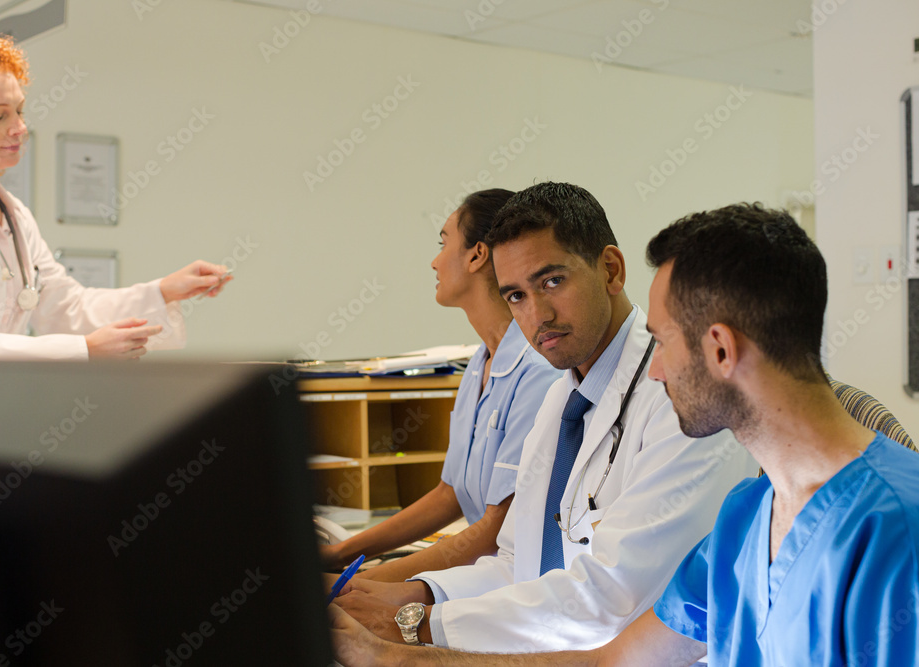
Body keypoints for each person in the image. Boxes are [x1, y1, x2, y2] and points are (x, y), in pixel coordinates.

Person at [331, 203, 919, 666]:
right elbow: (613, 660)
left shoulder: (897, 529)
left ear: (719, 349)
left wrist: (414, 631)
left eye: (661, 342)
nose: (654, 369)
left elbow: (606, 607)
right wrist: (389, 652)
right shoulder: (747, 517)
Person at [333, 183, 757, 652]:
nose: (538, 315)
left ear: (610, 269)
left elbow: (610, 602)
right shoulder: (562, 400)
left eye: (552, 281)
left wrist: (417, 624)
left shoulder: (684, 400)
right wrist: (419, 593)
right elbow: (518, 564)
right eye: (515, 296)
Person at [0, 34, 231, 362]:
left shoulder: (15, 216)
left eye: (20, 111)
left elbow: (66, 309)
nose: (20, 128)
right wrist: (85, 349)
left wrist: (163, 291)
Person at [321, 189, 560, 583]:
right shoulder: (478, 363)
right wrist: (341, 554)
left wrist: (356, 583)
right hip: (478, 564)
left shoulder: (538, 371)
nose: (434, 260)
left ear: (477, 255)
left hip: (508, 578)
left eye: (443, 242)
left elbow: (493, 533)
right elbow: (450, 494)